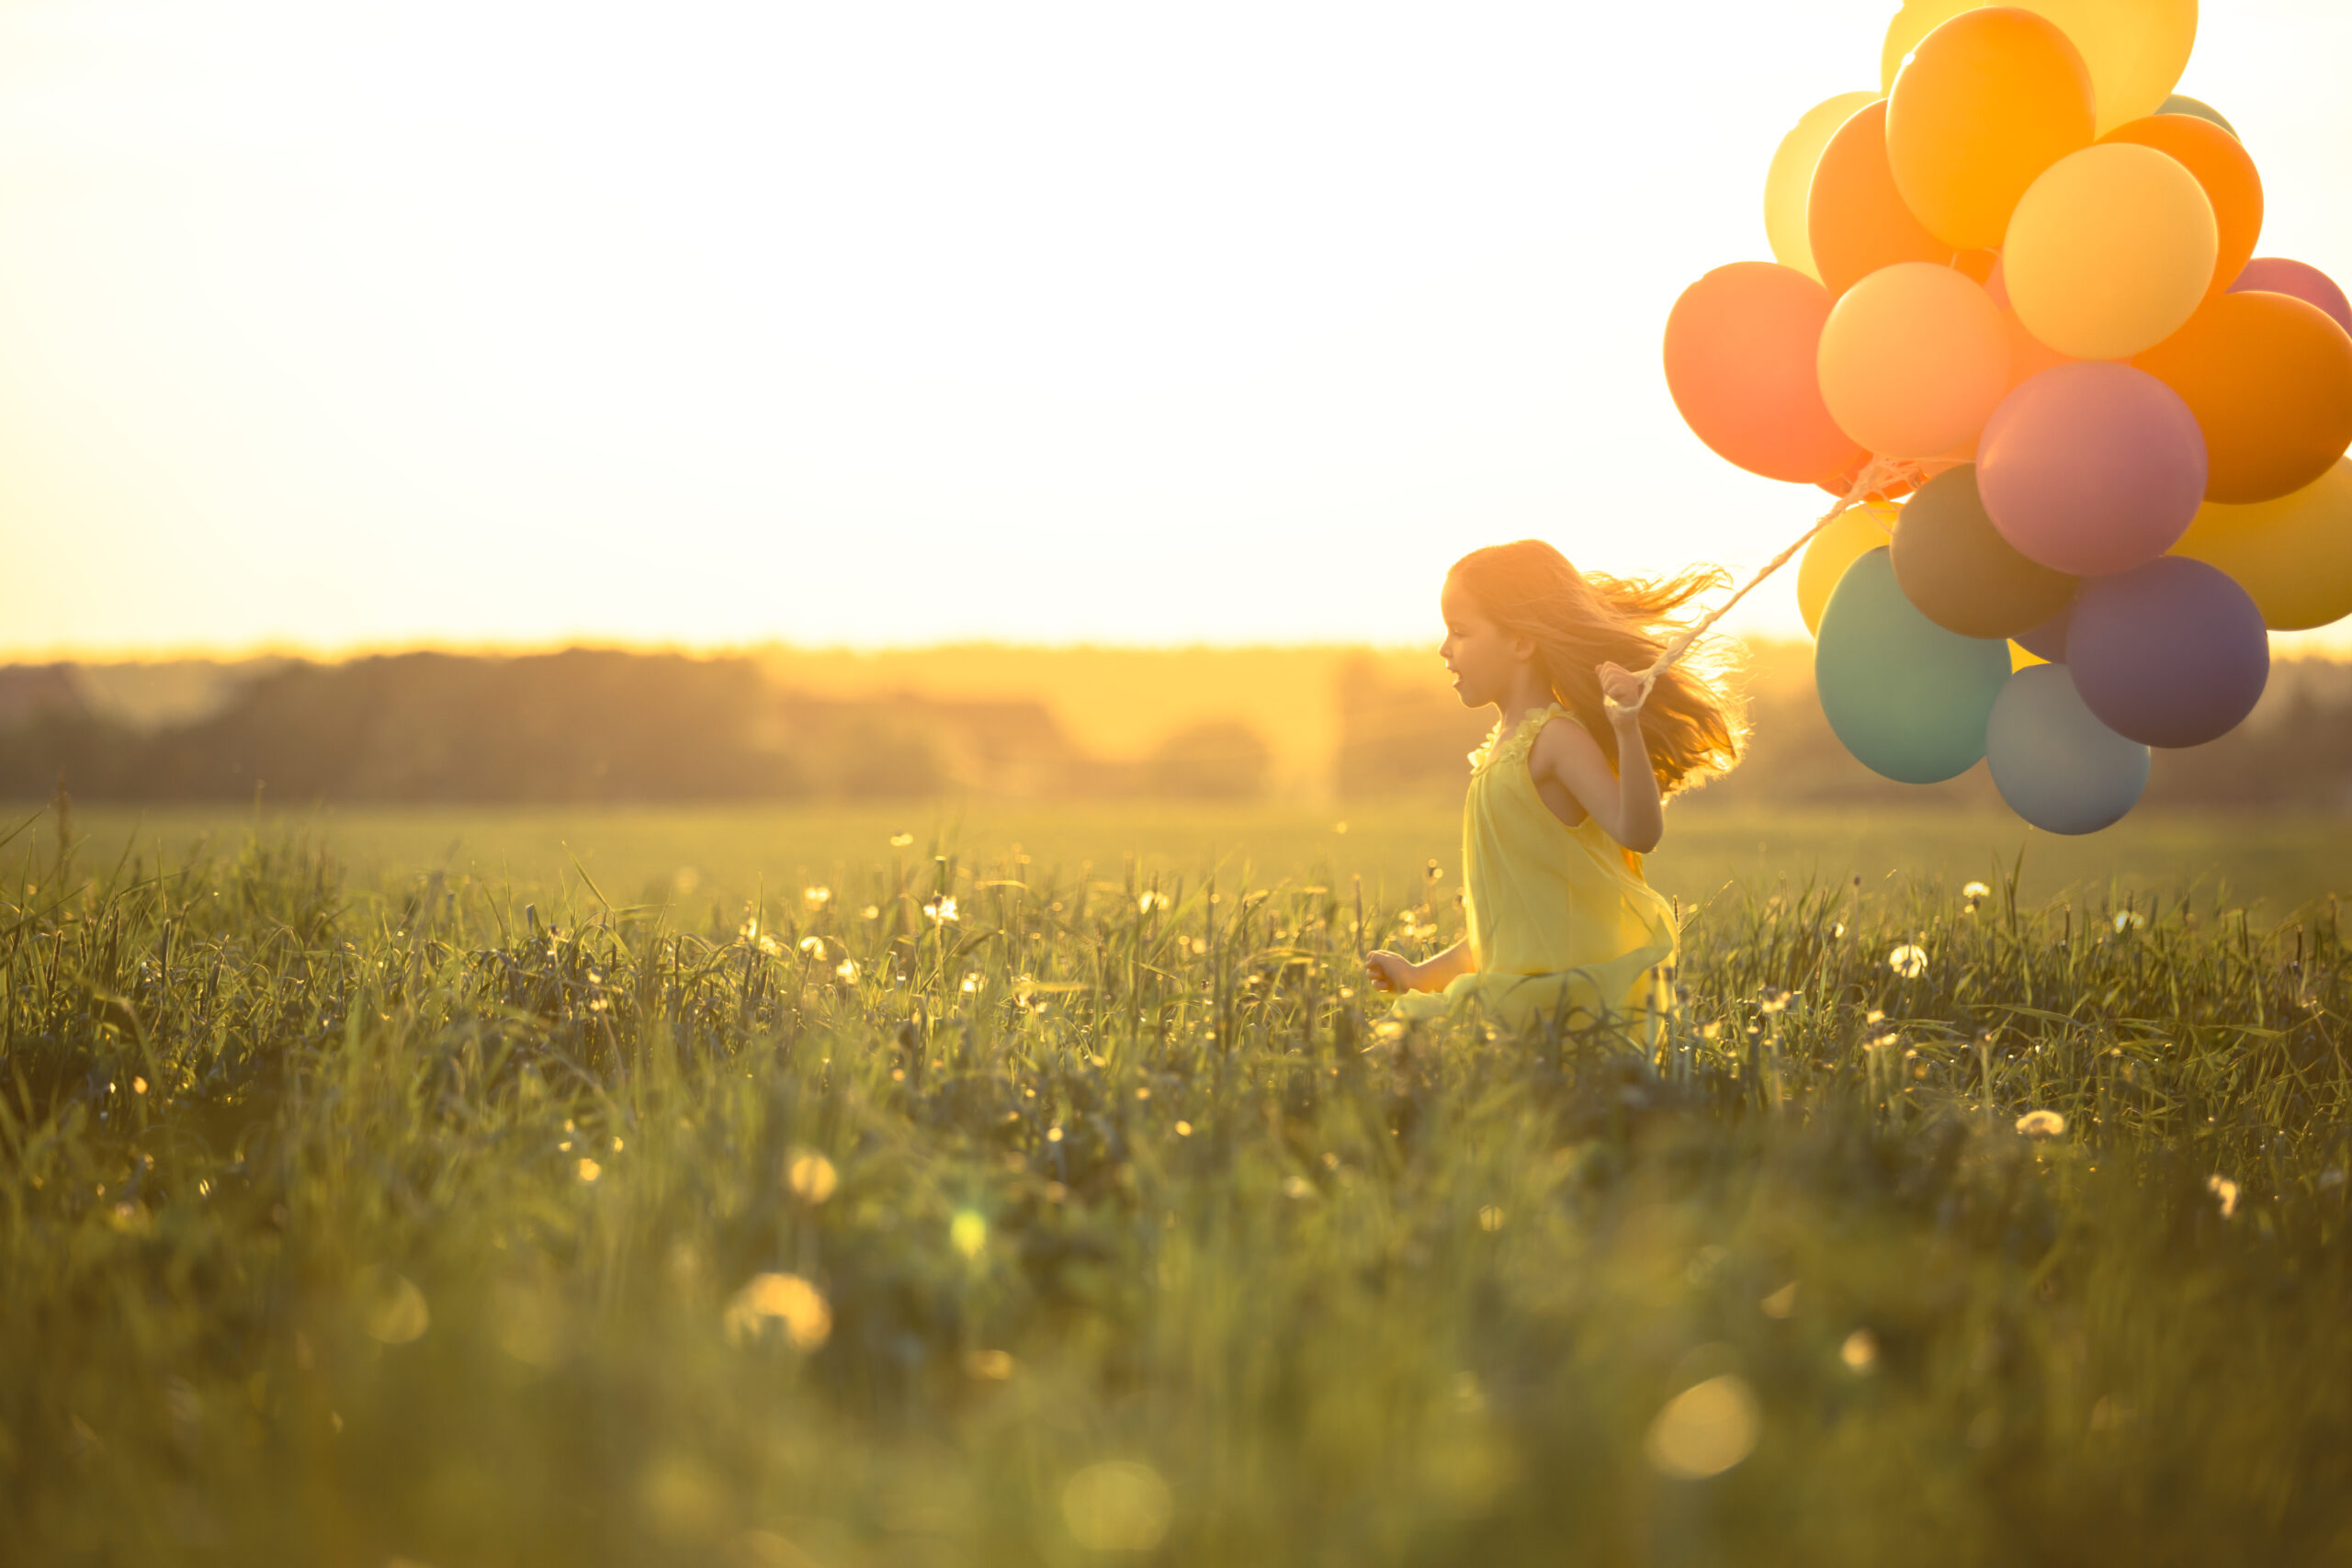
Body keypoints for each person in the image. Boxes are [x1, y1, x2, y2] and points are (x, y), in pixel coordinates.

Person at [1364, 539, 1745, 1041]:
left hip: (1567, 1011)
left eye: (1460, 631)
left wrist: (1627, 728)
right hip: (1516, 1006)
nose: (1443, 648)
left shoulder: (1555, 740)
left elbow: (1639, 831)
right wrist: (1418, 975)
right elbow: (1504, 926)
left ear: (1522, 642)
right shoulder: (1498, 754)